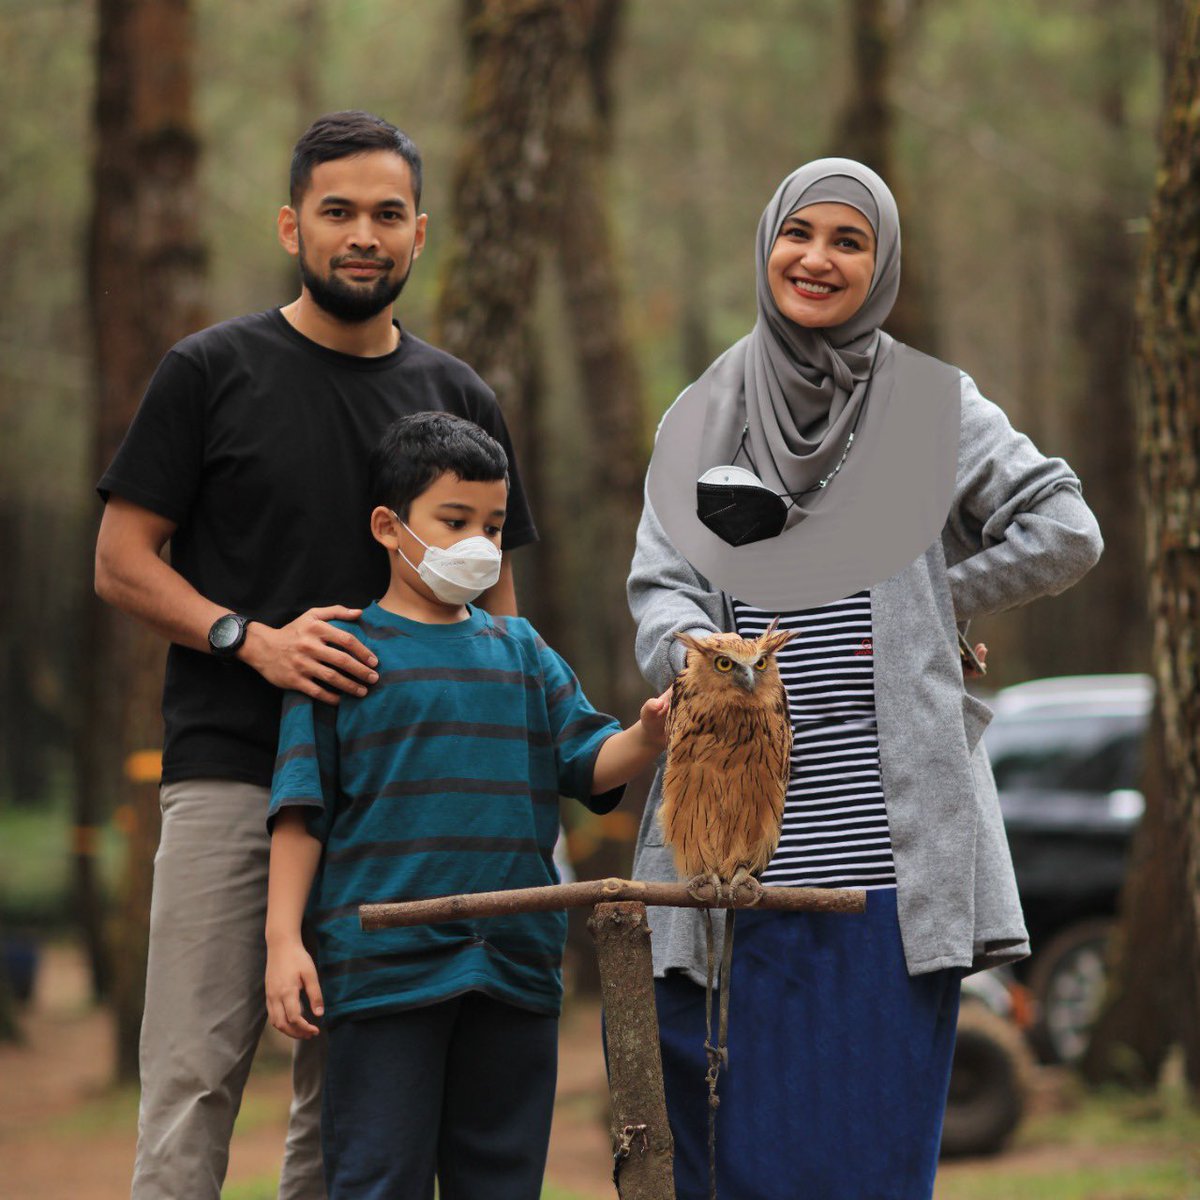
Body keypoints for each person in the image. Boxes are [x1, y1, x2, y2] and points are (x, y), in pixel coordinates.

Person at [627, 159, 1103, 1199]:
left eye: (851, 240)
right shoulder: (705, 412)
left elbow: (1066, 530)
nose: (820, 257)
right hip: (729, 858)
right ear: (767, 245)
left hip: (883, 880)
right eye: (802, 232)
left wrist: (928, 606)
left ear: (880, 263)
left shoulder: (930, 405)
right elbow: (660, 590)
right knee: (731, 1160)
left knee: (868, 1163)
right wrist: (701, 660)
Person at [94, 111, 537, 1200]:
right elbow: (120, 560)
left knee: (346, 1111)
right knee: (196, 1078)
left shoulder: (461, 396)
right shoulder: (209, 371)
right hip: (234, 771)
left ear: (420, 234)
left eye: (387, 214)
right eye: (337, 212)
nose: (362, 234)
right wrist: (252, 641)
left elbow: (501, 610)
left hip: (397, 802)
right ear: (293, 225)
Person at [265, 411, 669, 1199]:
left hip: (516, 967)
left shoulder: (522, 651)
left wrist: (651, 735)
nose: (477, 544)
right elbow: (299, 810)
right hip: (383, 973)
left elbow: (587, 763)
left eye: (492, 524)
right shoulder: (342, 654)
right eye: (453, 521)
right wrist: (284, 941)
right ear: (389, 526)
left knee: (503, 1179)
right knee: (379, 1178)